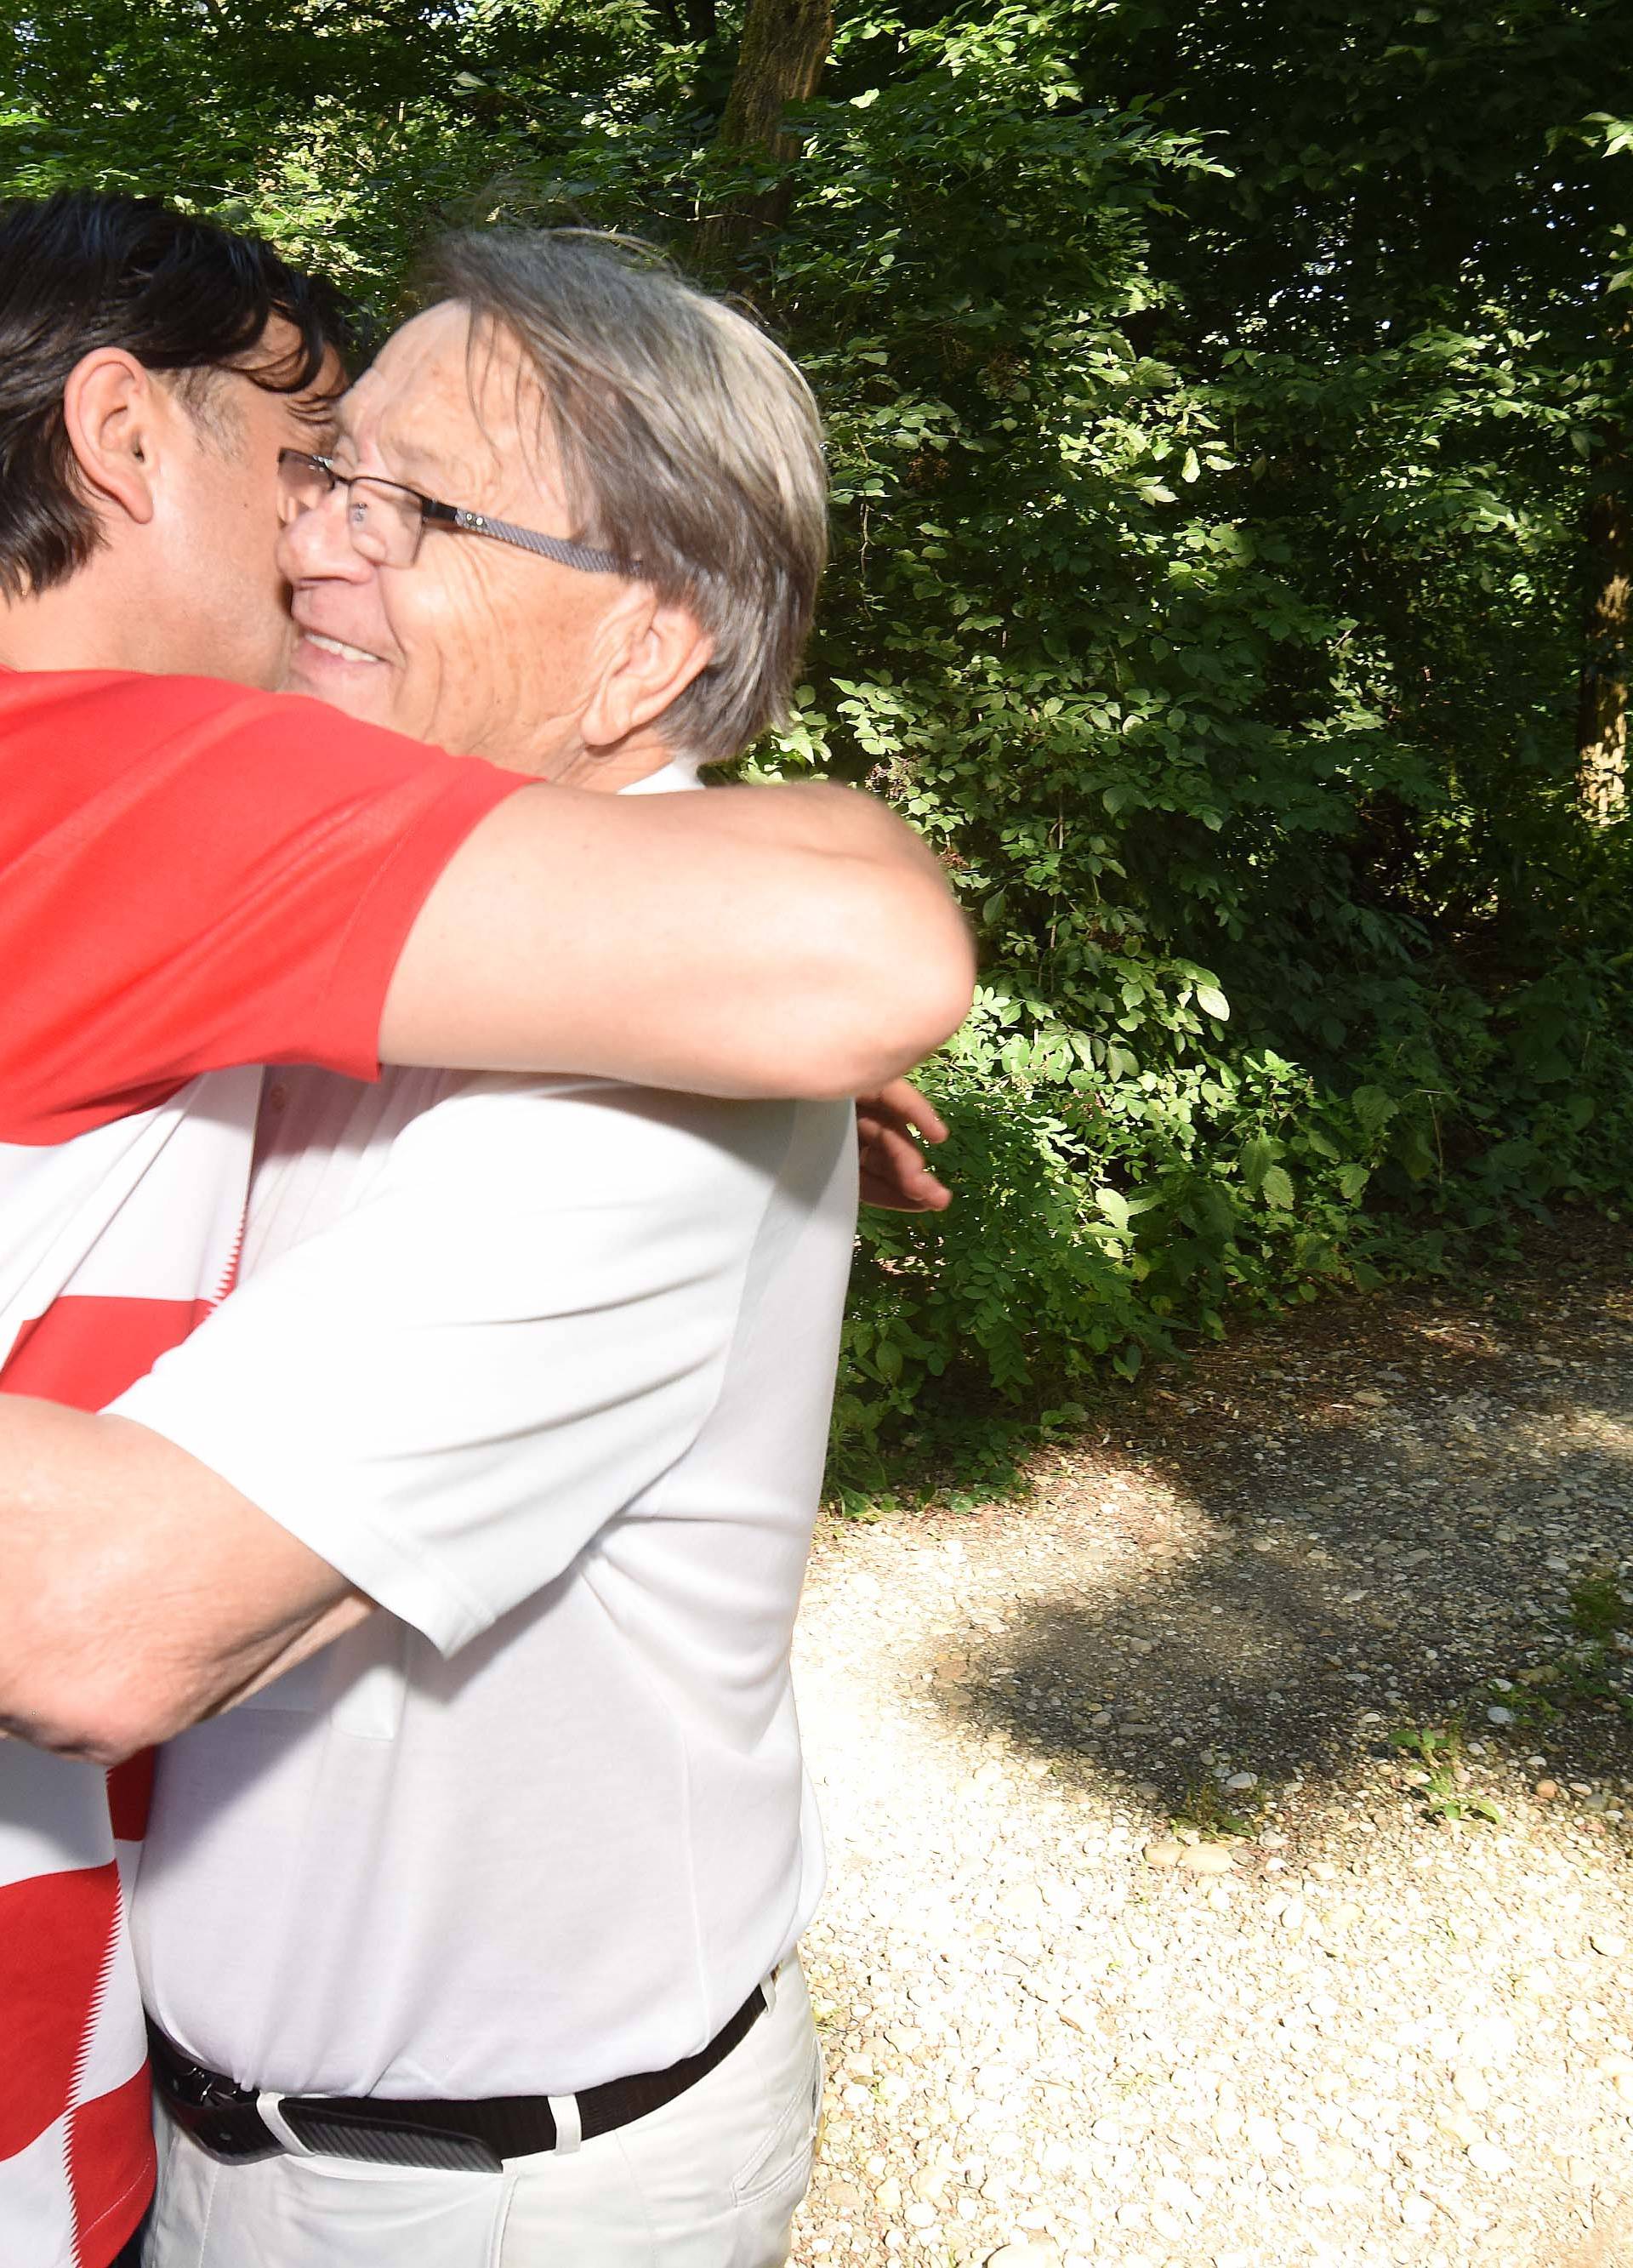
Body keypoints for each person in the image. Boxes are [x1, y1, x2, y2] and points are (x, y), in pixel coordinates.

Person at [0, 193, 972, 2268]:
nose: (315, 535)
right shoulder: (415, 925)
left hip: (473, 2195)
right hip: (210, 2136)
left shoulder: (653, 1095)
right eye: (328, 470)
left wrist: (789, 1087)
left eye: (411, 507)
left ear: (644, 642)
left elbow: (114, 1618)